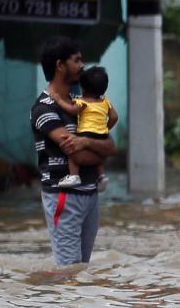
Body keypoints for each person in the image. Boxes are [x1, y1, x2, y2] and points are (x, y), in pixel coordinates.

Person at [31, 36, 117, 265]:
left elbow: (111, 146)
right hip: (64, 196)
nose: (82, 65)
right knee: (69, 271)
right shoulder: (44, 109)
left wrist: (86, 142)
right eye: (77, 60)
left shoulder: (82, 103)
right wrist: (97, 148)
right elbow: (78, 155)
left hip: (90, 195)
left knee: (81, 270)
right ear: (60, 65)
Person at [49, 66, 116, 192]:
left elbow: (72, 110)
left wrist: (59, 100)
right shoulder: (105, 102)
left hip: (86, 133)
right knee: (98, 152)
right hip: (101, 134)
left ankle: (74, 176)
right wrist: (106, 128)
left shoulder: (82, 101)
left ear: (83, 88)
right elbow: (114, 117)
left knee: (71, 151)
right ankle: (102, 176)